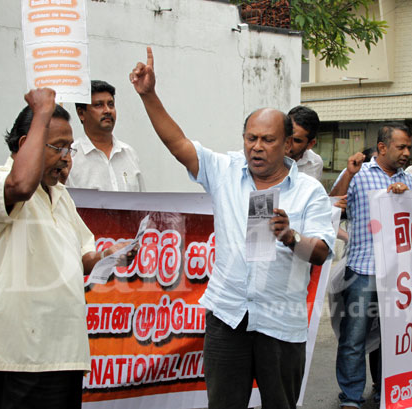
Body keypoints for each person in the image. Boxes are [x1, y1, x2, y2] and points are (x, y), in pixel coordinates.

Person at [130, 47, 335, 409]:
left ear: (288, 144)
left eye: (267, 140)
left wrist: (291, 237)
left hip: (279, 322)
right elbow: (178, 144)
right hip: (228, 317)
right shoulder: (225, 171)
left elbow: (319, 252)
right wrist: (149, 95)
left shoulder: (308, 191)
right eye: (250, 138)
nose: (256, 148)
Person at [0, 89, 130, 409]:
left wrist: (110, 254)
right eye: (57, 147)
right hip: (23, 357)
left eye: (69, 148)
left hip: (66, 353)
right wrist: (43, 111)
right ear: (26, 145)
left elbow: (83, 258)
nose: (66, 157)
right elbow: (20, 185)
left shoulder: (61, 197)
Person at [329, 123, 412, 409]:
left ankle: (386, 390)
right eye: (400, 147)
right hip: (363, 270)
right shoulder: (359, 176)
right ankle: (351, 396)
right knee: (354, 335)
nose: (406, 153)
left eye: (409, 147)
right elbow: (334, 204)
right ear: (382, 148)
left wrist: (408, 197)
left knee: (391, 337)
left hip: (399, 274)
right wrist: (348, 173)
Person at [67, 80, 145, 191]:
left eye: (111, 104)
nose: (107, 110)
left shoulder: (129, 153)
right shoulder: (71, 157)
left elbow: (141, 203)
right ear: (81, 113)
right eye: (99, 105)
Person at [287, 105, 324, 181]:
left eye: (296, 140)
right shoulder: (269, 158)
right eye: (286, 136)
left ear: (310, 144)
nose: (287, 143)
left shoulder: (316, 163)